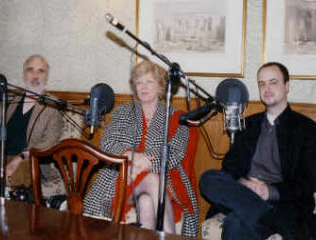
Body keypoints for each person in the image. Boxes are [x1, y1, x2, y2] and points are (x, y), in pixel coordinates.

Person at [199, 62, 316, 239]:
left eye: (273, 82)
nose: (266, 88)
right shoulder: (248, 125)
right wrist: (243, 183)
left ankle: (265, 214)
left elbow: (308, 181)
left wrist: (269, 191)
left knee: (236, 222)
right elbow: (230, 166)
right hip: (244, 194)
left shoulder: (306, 129)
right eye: (262, 84)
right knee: (208, 179)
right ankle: (269, 218)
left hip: (283, 202)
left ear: (286, 86)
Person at [83, 60, 199, 237]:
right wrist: (131, 156)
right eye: (139, 82)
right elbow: (107, 143)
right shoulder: (123, 111)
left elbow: (175, 153)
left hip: (164, 178)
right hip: (121, 177)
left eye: (149, 82)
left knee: (146, 198)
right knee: (151, 182)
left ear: (161, 86)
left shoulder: (178, 116)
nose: (143, 87)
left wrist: (143, 165)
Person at [0, 54, 64, 188]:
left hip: (29, 162)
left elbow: (49, 143)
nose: (35, 75)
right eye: (30, 70)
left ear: (46, 76)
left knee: (5, 186)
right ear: (24, 74)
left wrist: (19, 158)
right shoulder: (8, 100)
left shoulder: (52, 106)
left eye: (40, 71)